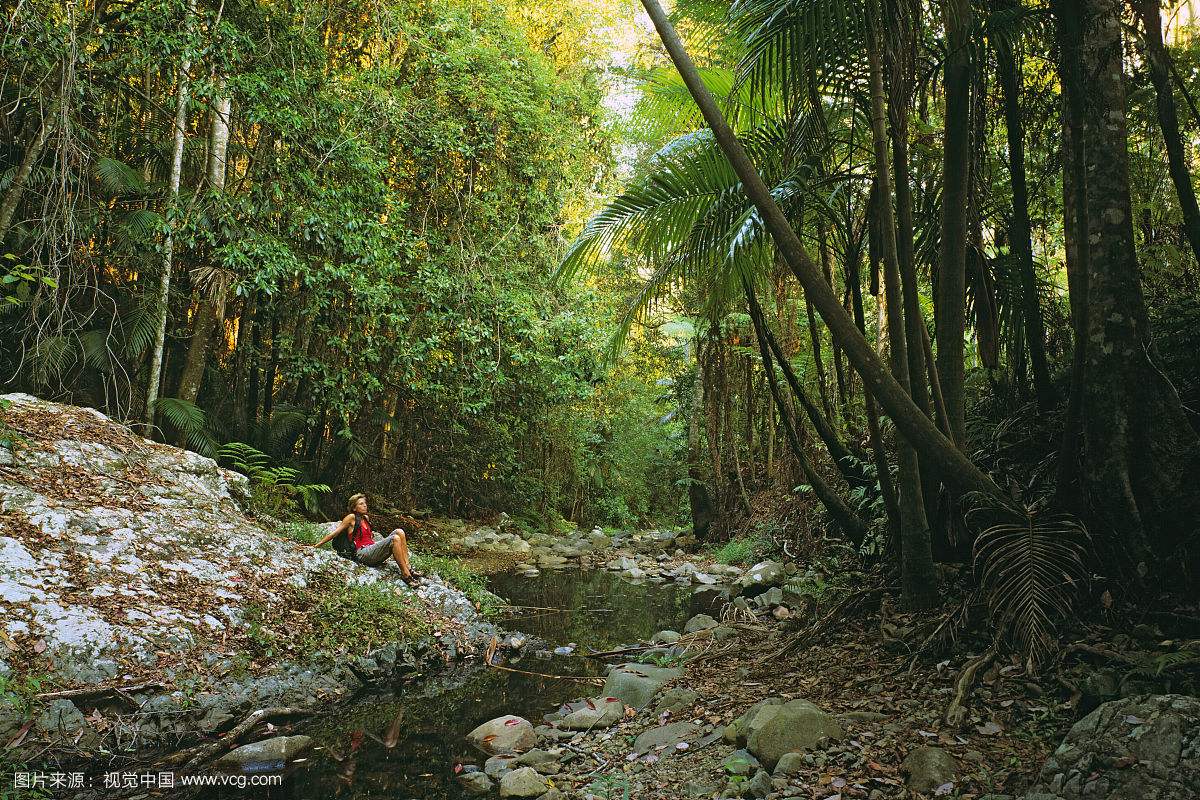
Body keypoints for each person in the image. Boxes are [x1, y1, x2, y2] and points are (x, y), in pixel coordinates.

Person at [314, 493, 422, 585]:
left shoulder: (366, 518)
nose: (365, 505)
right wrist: (316, 546)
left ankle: (408, 568)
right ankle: (405, 574)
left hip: (371, 549)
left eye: (365, 503)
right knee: (395, 538)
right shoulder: (351, 518)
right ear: (354, 508)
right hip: (362, 553)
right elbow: (334, 533)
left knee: (400, 531)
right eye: (361, 504)